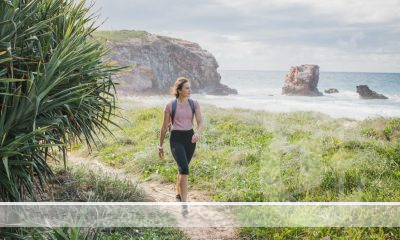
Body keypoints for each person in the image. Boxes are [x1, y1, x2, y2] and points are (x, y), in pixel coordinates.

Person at [158, 77, 203, 216]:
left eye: (190, 88)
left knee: (182, 170)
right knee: (184, 169)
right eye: (187, 88)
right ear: (179, 90)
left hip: (190, 140)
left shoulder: (194, 103)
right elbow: (164, 127)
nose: (190, 90)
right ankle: (184, 206)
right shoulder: (170, 105)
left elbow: (200, 122)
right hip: (176, 139)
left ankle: (178, 194)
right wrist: (160, 146)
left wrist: (198, 134)